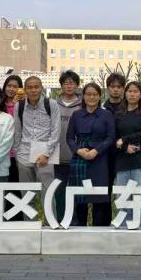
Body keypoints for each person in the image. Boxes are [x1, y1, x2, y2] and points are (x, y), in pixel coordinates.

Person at [66, 83, 115, 226]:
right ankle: (80, 230)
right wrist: (78, 150)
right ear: (83, 96)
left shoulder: (106, 114)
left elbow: (111, 137)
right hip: (80, 159)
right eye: (88, 94)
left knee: (99, 198)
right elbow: (69, 138)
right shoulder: (76, 115)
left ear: (100, 96)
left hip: (100, 160)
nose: (91, 97)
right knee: (80, 199)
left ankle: (99, 231)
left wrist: (96, 151)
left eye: (95, 94)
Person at [14, 76, 61, 205]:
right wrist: (18, 154)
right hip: (24, 153)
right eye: (30, 87)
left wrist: (47, 154)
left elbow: (56, 131)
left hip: (46, 153)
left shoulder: (51, 104)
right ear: (25, 90)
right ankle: (29, 219)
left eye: (36, 87)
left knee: (48, 194)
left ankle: (49, 218)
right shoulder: (19, 106)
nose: (33, 90)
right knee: (26, 196)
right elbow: (17, 132)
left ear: (41, 88)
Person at [53, 70, 84, 222]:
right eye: (66, 83)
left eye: (72, 83)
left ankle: (75, 224)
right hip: (56, 157)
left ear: (77, 85)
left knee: (77, 193)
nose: (69, 86)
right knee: (59, 193)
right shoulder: (53, 104)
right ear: (61, 85)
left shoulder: (83, 105)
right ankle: (60, 222)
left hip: (77, 156)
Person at [113, 81, 141, 188]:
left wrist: (125, 139)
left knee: (140, 196)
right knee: (122, 196)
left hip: (140, 160)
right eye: (129, 91)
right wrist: (125, 146)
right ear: (125, 93)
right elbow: (114, 136)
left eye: (135, 91)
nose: (132, 94)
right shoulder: (119, 113)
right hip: (122, 160)